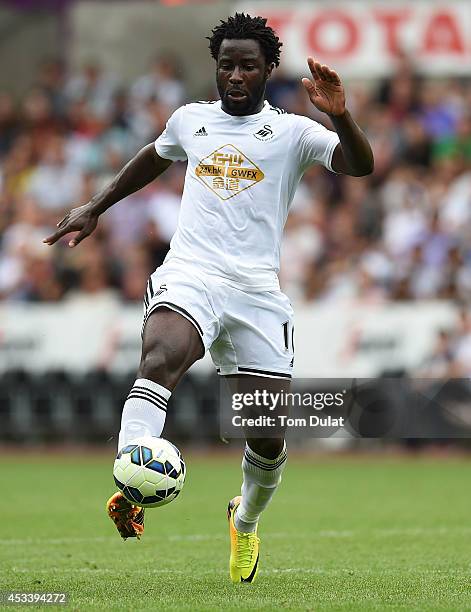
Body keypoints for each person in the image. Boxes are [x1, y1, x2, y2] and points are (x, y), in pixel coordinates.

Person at [44, 13, 373, 584]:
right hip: (190, 272)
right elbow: (153, 155)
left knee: (266, 436)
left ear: (270, 68)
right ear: (215, 69)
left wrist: (341, 115)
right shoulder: (190, 120)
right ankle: (132, 481)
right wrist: (94, 207)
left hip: (257, 294)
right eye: (227, 66)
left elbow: (360, 165)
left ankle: (243, 521)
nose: (236, 76)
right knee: (161, 355)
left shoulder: (295, 132)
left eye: (249, 65)